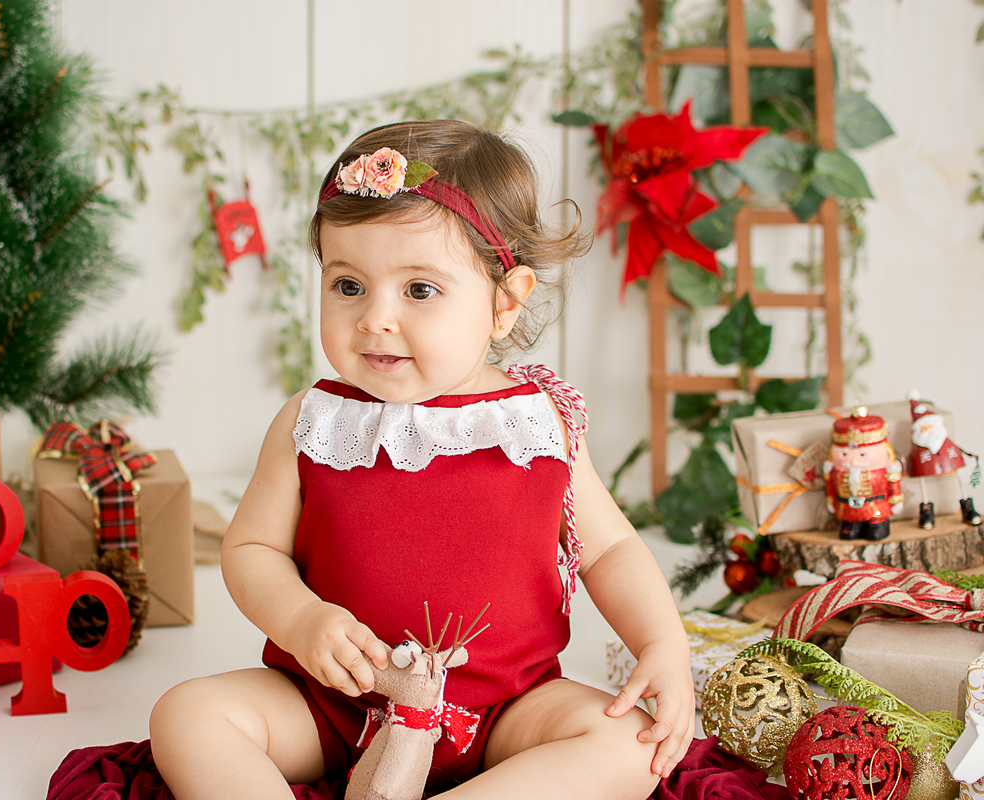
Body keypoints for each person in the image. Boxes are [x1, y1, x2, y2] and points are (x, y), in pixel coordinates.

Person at [150, 120, 694, 799]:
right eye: (348, 285)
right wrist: (301, 620)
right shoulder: (313, 423)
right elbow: (252, 548)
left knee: (629, 745)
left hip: (505, 711)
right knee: (189, 715)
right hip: (332, 704)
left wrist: (662, 645)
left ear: (505, 301)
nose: (376, 318)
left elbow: (609, 550)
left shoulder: (535, 422)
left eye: (419, 290)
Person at [823, 409, 903, 541]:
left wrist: (896, 500)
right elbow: (830, 485)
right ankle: (852, 526)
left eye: (862, 455)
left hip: (875, 506)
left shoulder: (886, 470)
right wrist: (830, 500)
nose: (854, 461)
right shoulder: (834, 471)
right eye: (844, 455)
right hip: (848, 508)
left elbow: (893, 485)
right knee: (848, 528)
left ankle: (877, 525)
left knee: (875, 530)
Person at [907, 394, 982, 529]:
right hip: (925, 468)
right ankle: (926, 512)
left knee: (958, 480)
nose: (929, 432)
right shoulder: (919, 447)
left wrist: (969, 455)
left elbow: (958, 448)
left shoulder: (945, 441)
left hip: (950, 463)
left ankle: (967, 507)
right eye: (924, 428)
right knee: (923, 485)